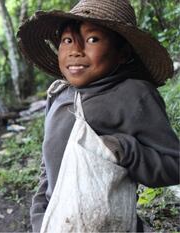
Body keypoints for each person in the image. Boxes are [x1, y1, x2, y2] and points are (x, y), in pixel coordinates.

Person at [17, 0, 180, 232]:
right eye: (67, 40)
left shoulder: (133, 95)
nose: (75, 50)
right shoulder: (59, 94)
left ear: (122, 53)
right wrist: (40, 215)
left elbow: (174, 164)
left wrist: (124, 149)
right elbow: (49, 169)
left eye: (93, 39)